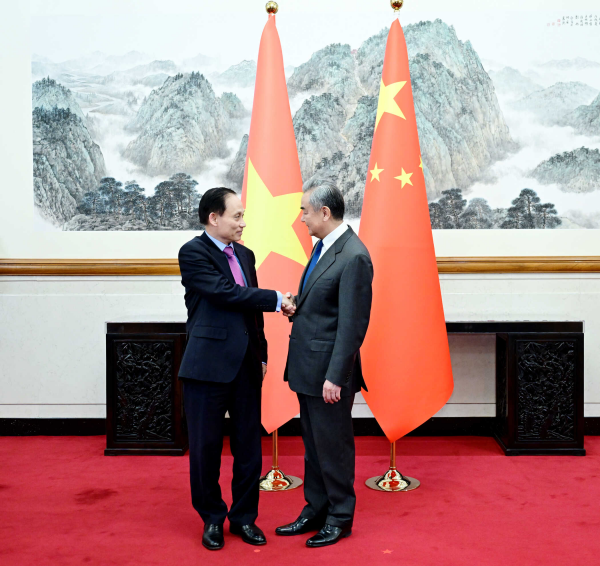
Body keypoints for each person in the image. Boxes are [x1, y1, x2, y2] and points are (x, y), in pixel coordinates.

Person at [178, 187, 295, 551]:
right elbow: (225, 293)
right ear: (214, 218)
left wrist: (262, 355)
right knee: (205, 449)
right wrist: (276, 299)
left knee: (248, 449)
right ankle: (212, 518)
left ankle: (244, 518)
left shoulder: (245, 254)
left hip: (246, 365)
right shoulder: (193, 252)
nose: (243, 223)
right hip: (206, 367)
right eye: (237, 216)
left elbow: (251, 314)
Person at [276, 179, 373, 548]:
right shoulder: (324, 247)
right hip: (308, 369)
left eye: (305, 210)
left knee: (333, 448)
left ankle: (339, 517)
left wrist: (336, 376)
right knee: (314, 447)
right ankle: (315, 509)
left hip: (328, 375)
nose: (301, 218)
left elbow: (352, 326)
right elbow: (326, 306)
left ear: (325, 212)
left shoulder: (354, 255)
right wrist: (297, 306)